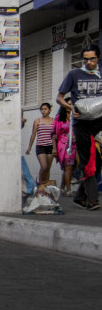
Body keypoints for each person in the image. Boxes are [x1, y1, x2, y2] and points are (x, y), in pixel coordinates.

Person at [57, 43, 102, 211]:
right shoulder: (74, 74)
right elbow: (59, 98)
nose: (89, 62)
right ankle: (92, 200)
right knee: (87, 161)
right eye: (86, 59)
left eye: (92, 59)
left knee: (98, 161)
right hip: (81, 124)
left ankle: (79, 196)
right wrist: (71, 108)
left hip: (99, 123)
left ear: (98, 58)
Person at [25, 102, 55, 185]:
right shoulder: (37, 121)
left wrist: (55, 148)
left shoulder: (54, 121)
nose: (43, 111)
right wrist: (29, 147)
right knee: (44, 166)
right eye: (42, 109)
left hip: (50, 146)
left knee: (48, 168)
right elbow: (33, 134)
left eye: (45, 109)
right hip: (40, 146)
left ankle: (45, 185)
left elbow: (54, 135)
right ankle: (40, 183)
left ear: (49, 110)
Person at [51, 105, 75, 196]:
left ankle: (62, 187)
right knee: (68, 166)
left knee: (67, 167)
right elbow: (53, 133)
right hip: (62, 144)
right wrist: (54, 148)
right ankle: (69, 189)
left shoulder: (75, 116)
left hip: (74, 144)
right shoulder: (59, 118)